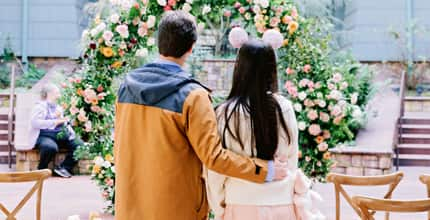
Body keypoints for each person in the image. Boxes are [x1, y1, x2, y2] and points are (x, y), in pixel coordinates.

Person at [114, 11, 288, 220]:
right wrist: (264, 170)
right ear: (191, 47)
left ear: (159, 42)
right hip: (176, 208)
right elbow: (214, 157)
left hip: (131, 206)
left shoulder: (126, 87)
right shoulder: (193, 96)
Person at [206, 40, 300, 220]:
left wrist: (219, 209)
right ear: (271, 70)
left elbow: (216, 168)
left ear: (239, 69)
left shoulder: (225, 113)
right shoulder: (285, 108)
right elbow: (291, 162)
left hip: (240, 204)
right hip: (282, 205)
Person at [29, 83, 81, 178]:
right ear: (49, 94)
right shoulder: (39, 107)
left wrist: (67, 122)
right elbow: (35, 122)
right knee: (50, 147)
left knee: (79, 145)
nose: (59, 95)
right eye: (57, 93)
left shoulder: (59, 106)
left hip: (60, 134)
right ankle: (41, 170)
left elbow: (64, 121)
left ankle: (64, 168)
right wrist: (55, 122)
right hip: (44, 135)